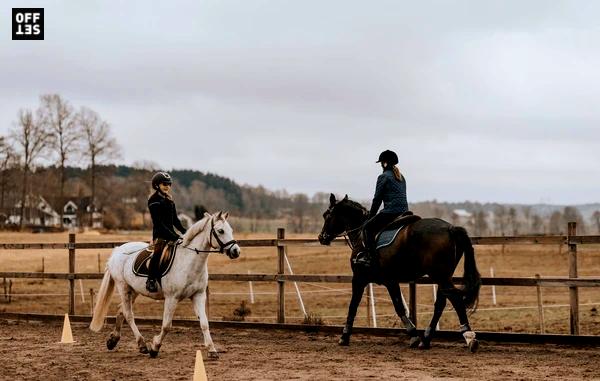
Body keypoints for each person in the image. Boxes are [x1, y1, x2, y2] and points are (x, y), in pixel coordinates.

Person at [355, 150, 408, 268]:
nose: (380, 165)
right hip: (404, 212)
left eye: (381, 163)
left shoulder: (383, 177)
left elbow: (377, 199)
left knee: (367, 228)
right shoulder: (401, 177)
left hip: (391, 212)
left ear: (385, 163)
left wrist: (370, 217)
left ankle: (370, 257)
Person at [146, 171, 186, 292]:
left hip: (171, 234)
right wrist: (174, 236)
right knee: (158, 254)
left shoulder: (170, 200)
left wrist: (185, 232)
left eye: (169, 184)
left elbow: (175, 220)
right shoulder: (153, 200)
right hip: (160, 235)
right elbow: (159, 223)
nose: (167, 186)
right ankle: (151, 280)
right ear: (157, 185)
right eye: (164, 184)